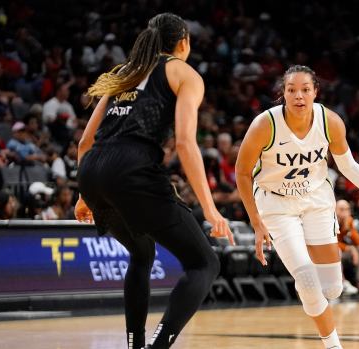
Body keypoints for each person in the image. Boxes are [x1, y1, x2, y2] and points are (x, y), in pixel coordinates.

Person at [74, 13, 233, 349]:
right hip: (132, 171)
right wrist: (210, 209)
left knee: (141, 253)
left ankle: (136, 345)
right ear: (183, 42)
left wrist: (83, 196)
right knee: (204, 263)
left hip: (93, 171)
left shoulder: (124, 72)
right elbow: (188, 144)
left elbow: (85, 142)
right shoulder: (183, 73)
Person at [236, 65, 359, 349]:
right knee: (306, 278)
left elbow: (348, 167)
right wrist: (256, 222)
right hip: (275, 203)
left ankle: (315, 295)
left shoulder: (330, 121)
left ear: (316, 92)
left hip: (316, 199)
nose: (298, 96)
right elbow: (242, 173)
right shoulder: (264, 125)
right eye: (291, 90)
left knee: (332, 288)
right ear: (282, 93)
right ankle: (332, 344)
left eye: (305, 89)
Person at [335, 199, 359, 294]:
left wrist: (348, 228)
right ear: (334, 209)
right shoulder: (330, 221)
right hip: (332, 254)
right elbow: (332, 243)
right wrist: (350, 248)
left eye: (347, 209)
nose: (345, 212)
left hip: (345, 254)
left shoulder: (349, 220)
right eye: (341, 209)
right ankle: (341, 283)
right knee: (337, 250)